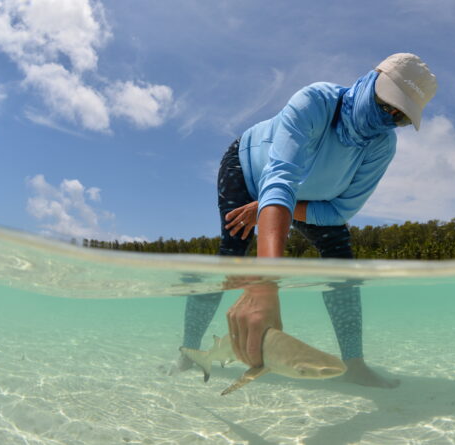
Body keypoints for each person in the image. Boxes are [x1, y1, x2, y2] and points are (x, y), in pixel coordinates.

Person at [175, 53, 437, 388]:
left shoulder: (382, 146)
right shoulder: (315, 101)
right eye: (386, 103)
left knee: (343, 270)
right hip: (247, 169)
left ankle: (353, 364)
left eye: (400, 116)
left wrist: (267, 207)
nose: (388, 117)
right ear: (370, 80)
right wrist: (266, 282)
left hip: (307, 200)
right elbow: (280, 179)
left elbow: (338, 212)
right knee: (231, 258)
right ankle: (188, 351)